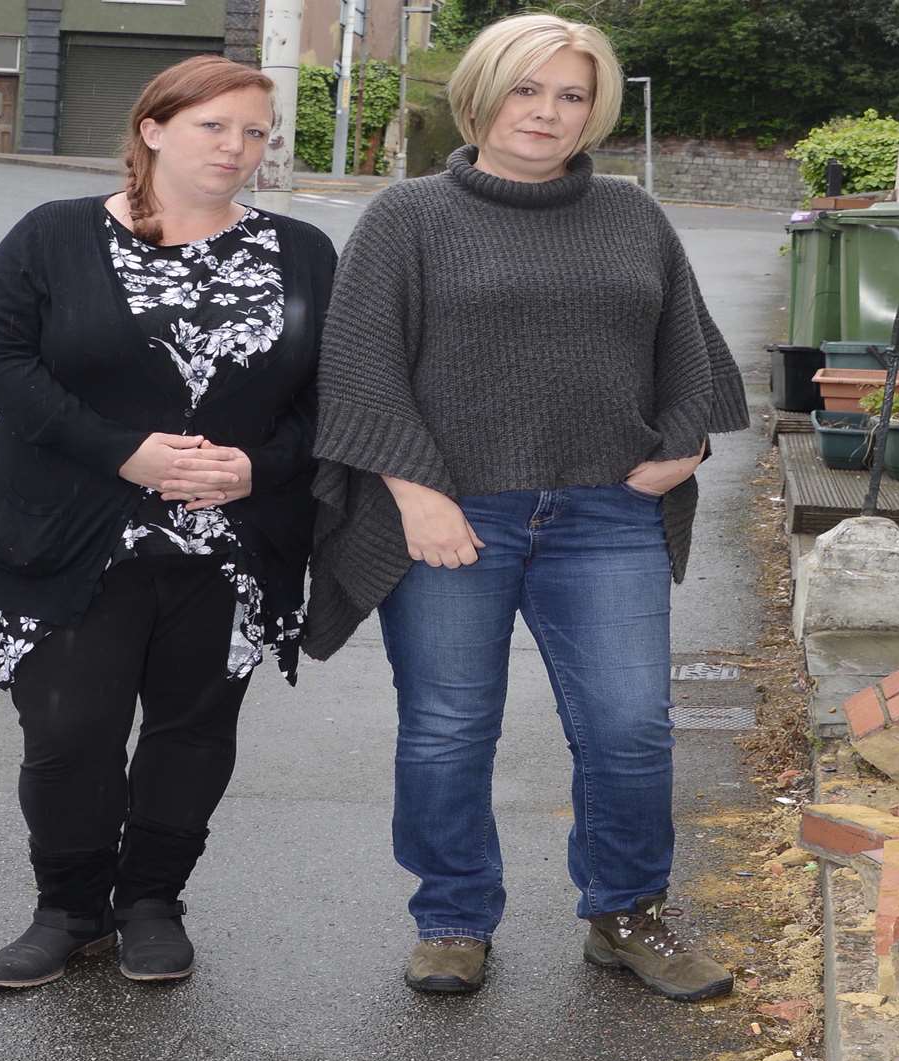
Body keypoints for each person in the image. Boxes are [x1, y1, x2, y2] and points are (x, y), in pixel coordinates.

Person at [305, 13, 749, 1001]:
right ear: (481, 94)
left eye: (573, 95)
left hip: (605, 516)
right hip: (454, 517)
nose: (548, 112)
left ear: (596, 110)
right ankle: (454, 918)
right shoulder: (409, 217)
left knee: (629, 725)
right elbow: (361, 367)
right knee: (449, 726)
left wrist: (687, 445)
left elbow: (689, 350)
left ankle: (626, 912)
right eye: (528, 89)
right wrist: (416, 494)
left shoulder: (633, 215)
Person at [0, 55, 335, 989]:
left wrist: (261, 467)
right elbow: (4, 360)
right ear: (154, 129)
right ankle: (68, 909)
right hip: (66, 528)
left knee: (193, 726)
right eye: (215, 126)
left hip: (234, 541)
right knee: (68, 730)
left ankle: (153, 904)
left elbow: (334, 399)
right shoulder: (54, 236)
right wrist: (123, 452)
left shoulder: (303, 252)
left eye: (255, 132)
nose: (238, 148)